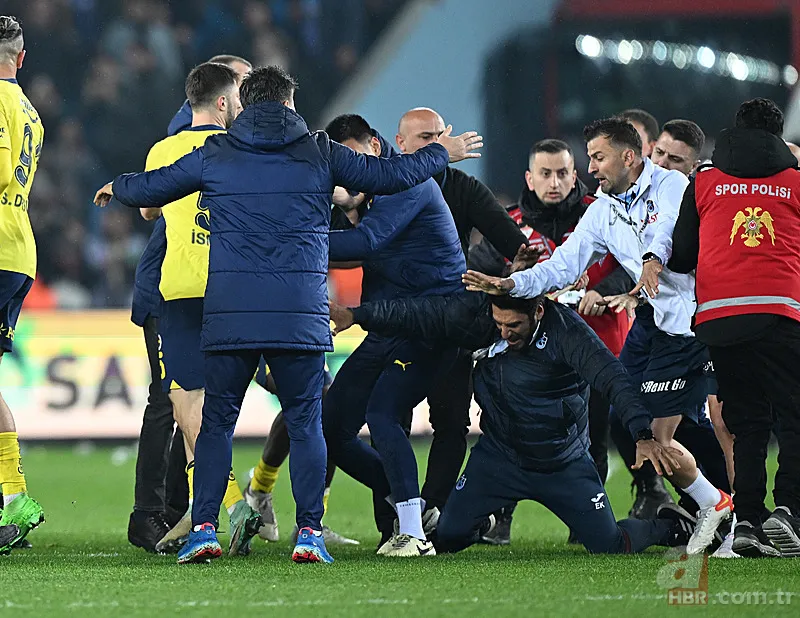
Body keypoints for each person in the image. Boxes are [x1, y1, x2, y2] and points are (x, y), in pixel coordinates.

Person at [93, 65, 482, 565]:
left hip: (231, 311)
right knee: (305, 423)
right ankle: (309, 534)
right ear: (289, 104)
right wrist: (438, 154)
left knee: (216, 425)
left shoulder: (215, 153)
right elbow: (389, 174)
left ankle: (206, 528)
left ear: (246, 104)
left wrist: (117, 187)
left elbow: (153, 188)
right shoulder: (319, 151)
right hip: (298, 313)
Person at [462, 117, 732, 556]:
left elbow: (664, 231)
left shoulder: (671, 185)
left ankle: (726, 511)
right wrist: (513, 285)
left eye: (598, 158)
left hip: (696, 324)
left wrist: (650, 262)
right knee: (643, 424)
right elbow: (563, 266)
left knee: (694, 430)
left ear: (629, 157)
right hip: (656, 324)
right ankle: (715, 506)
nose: (592, 168)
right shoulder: (604, 208)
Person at [328, 291, 696, 555]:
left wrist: (642, 434)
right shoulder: (478, 317)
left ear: (538, 311)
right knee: (448, 536)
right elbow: (419, 312)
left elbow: (614, 378)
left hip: (561, 462)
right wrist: (357, 315)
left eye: (514, 324)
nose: (504, 332)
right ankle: (485, 521)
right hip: (499, 458)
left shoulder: (568, 332)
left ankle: (669, 525)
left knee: (609, 544)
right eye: (499, 322)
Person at [350, 106, 524, 544]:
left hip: (446, 324)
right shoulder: (381, 187)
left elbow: (517, 248)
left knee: (449, 422)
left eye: (437, 136)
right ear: (400, 143)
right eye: (422, 138)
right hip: (392, 322)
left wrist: (487, 281)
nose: (432, 145)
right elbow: (361, 239)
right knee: (389, 420)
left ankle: (431, 513)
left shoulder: (463, 189)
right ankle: (397, 521)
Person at [469, 138, 634, 544]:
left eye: (562, 173)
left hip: (594, 339)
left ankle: (587, 520)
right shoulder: (506, 223)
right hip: (521, 353)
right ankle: (501, 518)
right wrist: (512, 273)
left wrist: (603, 289)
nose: (555, 182)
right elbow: (477, 273)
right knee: (508, 430)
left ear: (574, 175)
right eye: (545, 174)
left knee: (592, 433)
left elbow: (634, 263)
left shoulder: (603, 213)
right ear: (530, 177)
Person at [321, 113, 466, 557]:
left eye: (353, 158)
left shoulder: (408, 184)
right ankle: (409, 506)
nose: (348, 170)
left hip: (432, 324)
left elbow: (365, 244)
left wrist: (287, 238)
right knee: (330, 425)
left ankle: (414, 534)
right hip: (391, 326)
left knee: (384, 414)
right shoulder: (369, 198)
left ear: (377, 149)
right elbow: (357, 244)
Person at [129, 54, 254, 554]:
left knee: (184, 403)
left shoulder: (166, 148)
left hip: (180, 288)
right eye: (243, 87)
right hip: (236, 287)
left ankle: (219, 508)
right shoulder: (243, 148)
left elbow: (146, 206)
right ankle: (205, 510)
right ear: (224, 98)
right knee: (190, 406)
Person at [668, 98, 800, 558]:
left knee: (746, 424)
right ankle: (789, 512)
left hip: (719, 317)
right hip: (781, 311)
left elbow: (681, 255)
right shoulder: (795, 181)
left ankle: (747, 520)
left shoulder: (703, 181)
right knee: (794, 413)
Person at [0, 15, 46, 554]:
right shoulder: (29, 109)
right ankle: (14, 499)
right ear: (22, 56)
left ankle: (14, 499)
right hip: (17, 249)